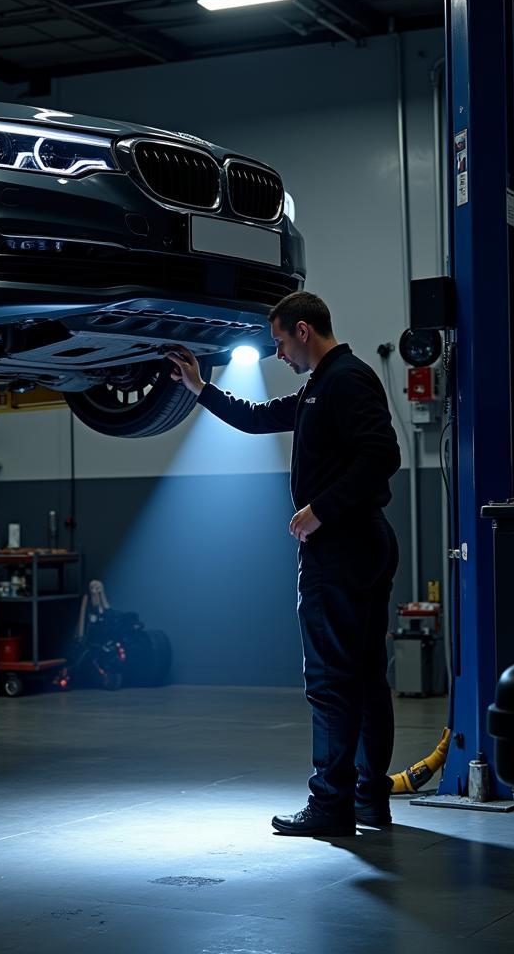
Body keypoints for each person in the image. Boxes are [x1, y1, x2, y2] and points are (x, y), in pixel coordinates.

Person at [168, 291, 401, 838]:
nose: (277, 355)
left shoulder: (346, 379)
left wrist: (321, 510)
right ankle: (368, 800)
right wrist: (200, 390)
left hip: (342, 548)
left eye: (278, 341)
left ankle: (330, 807)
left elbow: (382, 455)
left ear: (302, 329)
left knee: (330, 681)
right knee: (364, 677)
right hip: (360, 544)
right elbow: (257, 418)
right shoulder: (323, 386)